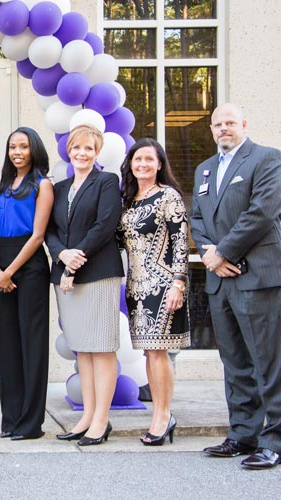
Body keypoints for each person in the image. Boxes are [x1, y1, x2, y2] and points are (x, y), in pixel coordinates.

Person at [191, 103, 281, 469]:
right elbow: (197, 218)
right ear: (211, 129)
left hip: (257, 277)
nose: (224, 128)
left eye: (230, 122)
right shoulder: (205, 169)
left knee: (267, 361)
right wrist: (211, 253)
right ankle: (243, 433)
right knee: (234, 361)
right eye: (218, 124)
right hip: (220, 279)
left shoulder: (266, 159)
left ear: (244, 124)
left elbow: (262, 212)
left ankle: (273, 439)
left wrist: (223, 251)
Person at [45, 125, 123, 446]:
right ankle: (87, 416)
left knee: (102, 348)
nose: (82, 153)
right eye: (77, 148)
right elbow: (48, 229)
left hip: (99, 273)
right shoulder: (59, 187)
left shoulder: (107, 182)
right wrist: (61, 254)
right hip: (65, 274)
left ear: (97, 152)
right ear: (68, 151)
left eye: (89, 149)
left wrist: (76, 259)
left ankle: (101, 421)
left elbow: (105, 225)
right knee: (84, 350)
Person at [118, 138, 190, 446]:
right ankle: (160, 415)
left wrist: (179, 282)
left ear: (159, 164)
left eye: (149, 159)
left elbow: (180, 242)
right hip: (136, 286)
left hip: (163, 285)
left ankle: (163, 416)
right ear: (131, 164)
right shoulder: (130, 199)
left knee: (160, 353)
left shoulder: (168, 196)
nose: (143, 164)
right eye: (137, 159)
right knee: (150, 352)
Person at [0, 127, 53, 441]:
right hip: (3, 266)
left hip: (29, 266)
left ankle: (30, 423)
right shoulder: (1, 188)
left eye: (23, 147)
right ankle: (10, 419)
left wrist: (10, 271)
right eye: (12, 147)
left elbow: (38, 235)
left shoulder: (42, 185)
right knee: (9, 346)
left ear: (33, 150)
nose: (17, 152)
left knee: (32, 344)